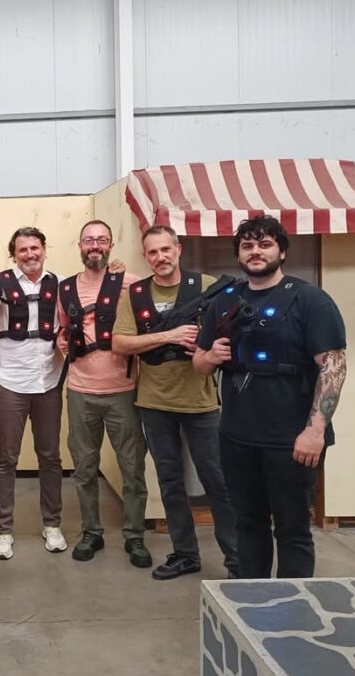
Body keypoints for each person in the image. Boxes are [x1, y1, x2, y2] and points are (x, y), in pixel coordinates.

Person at [193, 216, 347, 579]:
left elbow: (334, 367)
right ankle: (252, 600)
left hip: (292, 440)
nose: (255, 252)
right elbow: (199, 364)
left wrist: (315, 431)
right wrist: (210, 356)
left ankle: (295, 605)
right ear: (239, 254)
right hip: (236, 437)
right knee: (247, 524)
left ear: (282, 251)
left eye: (264, 244)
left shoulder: (310, 300)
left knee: (292, 530)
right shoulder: (224, 302)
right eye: (247, 246)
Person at [113, 225, 239, 579]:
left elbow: (233, 334)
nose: (160, 257)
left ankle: (237, 559)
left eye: (165, 249)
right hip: (154, 402)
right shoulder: (136, 294)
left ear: (178, 249)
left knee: (218, 482)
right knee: (170, 483)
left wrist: (205, 342)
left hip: (201, 403)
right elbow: (120, 343)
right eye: (152, 252)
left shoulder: (208, 286)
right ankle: (185, 554)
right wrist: (168, 335)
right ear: (145, 256)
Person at [55, 220, 150, 567]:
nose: (95, 245)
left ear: (111, 245)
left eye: (101, 240)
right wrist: (62, 343)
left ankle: (135, 535)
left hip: (123, 391)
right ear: (80, 245)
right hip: (80, 391)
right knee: (84, 468)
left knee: (132, 467)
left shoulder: (130, 284)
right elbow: (62, 329)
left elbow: (145, 327)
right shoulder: (66, 289)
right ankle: (91, 532)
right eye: (89, 240)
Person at [0, 226, 68, 559]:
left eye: (35, 247)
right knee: (6, 459)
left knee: (50, 456)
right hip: (9, 381)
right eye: (23, 249)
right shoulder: (0, 283)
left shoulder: (59, 284)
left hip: (48, 379)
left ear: (44, 249)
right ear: (14, 255)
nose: (30, 254)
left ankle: (52, 524)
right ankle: (3, 530)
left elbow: (69, 322)